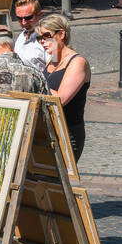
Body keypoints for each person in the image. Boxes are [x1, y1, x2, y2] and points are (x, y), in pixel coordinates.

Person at [36, 13, 91, 160]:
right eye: (39, 38)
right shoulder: (52, 60)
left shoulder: (78, 62)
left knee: (61, 180)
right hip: (48, 131)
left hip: (67, 133)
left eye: (46, 36)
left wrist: (35, 82)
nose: (42, 41)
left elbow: (60, 99)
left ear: (61, 34)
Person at [13, 0, 49, 74]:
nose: (23, 23)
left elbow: (56, 69)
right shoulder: (21, 36)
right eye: (19, 18)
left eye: (28, 18)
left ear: (39, 15)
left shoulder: (48, 38)